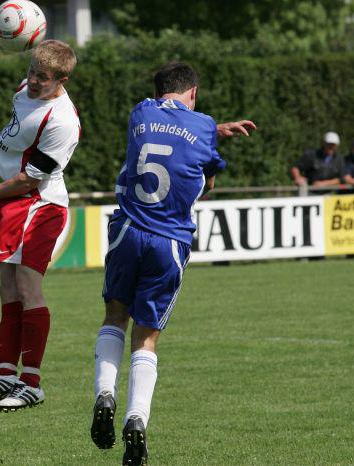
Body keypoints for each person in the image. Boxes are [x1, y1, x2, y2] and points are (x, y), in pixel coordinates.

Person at [89, 62, 256, 465]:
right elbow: (207, 180)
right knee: (146, 338)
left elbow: (166, 129)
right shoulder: (203, 125)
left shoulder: (139, 113)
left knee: (115, 315)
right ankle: (136, 419)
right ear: (194, 92)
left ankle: (104, 394)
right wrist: (212, 134)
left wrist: (205, 131)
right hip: (169, 241)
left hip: (127, 231)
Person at [0, 40, 80, 412]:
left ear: (62, 80)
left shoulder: (63, 122)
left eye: (43, 78)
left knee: (29, 288)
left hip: (40, 204)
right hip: (12, 203)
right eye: (32, 71)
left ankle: (31, 381)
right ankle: (5, 373)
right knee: (8, 288)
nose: (33, 81)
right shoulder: (27, 85)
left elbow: (32, 179)